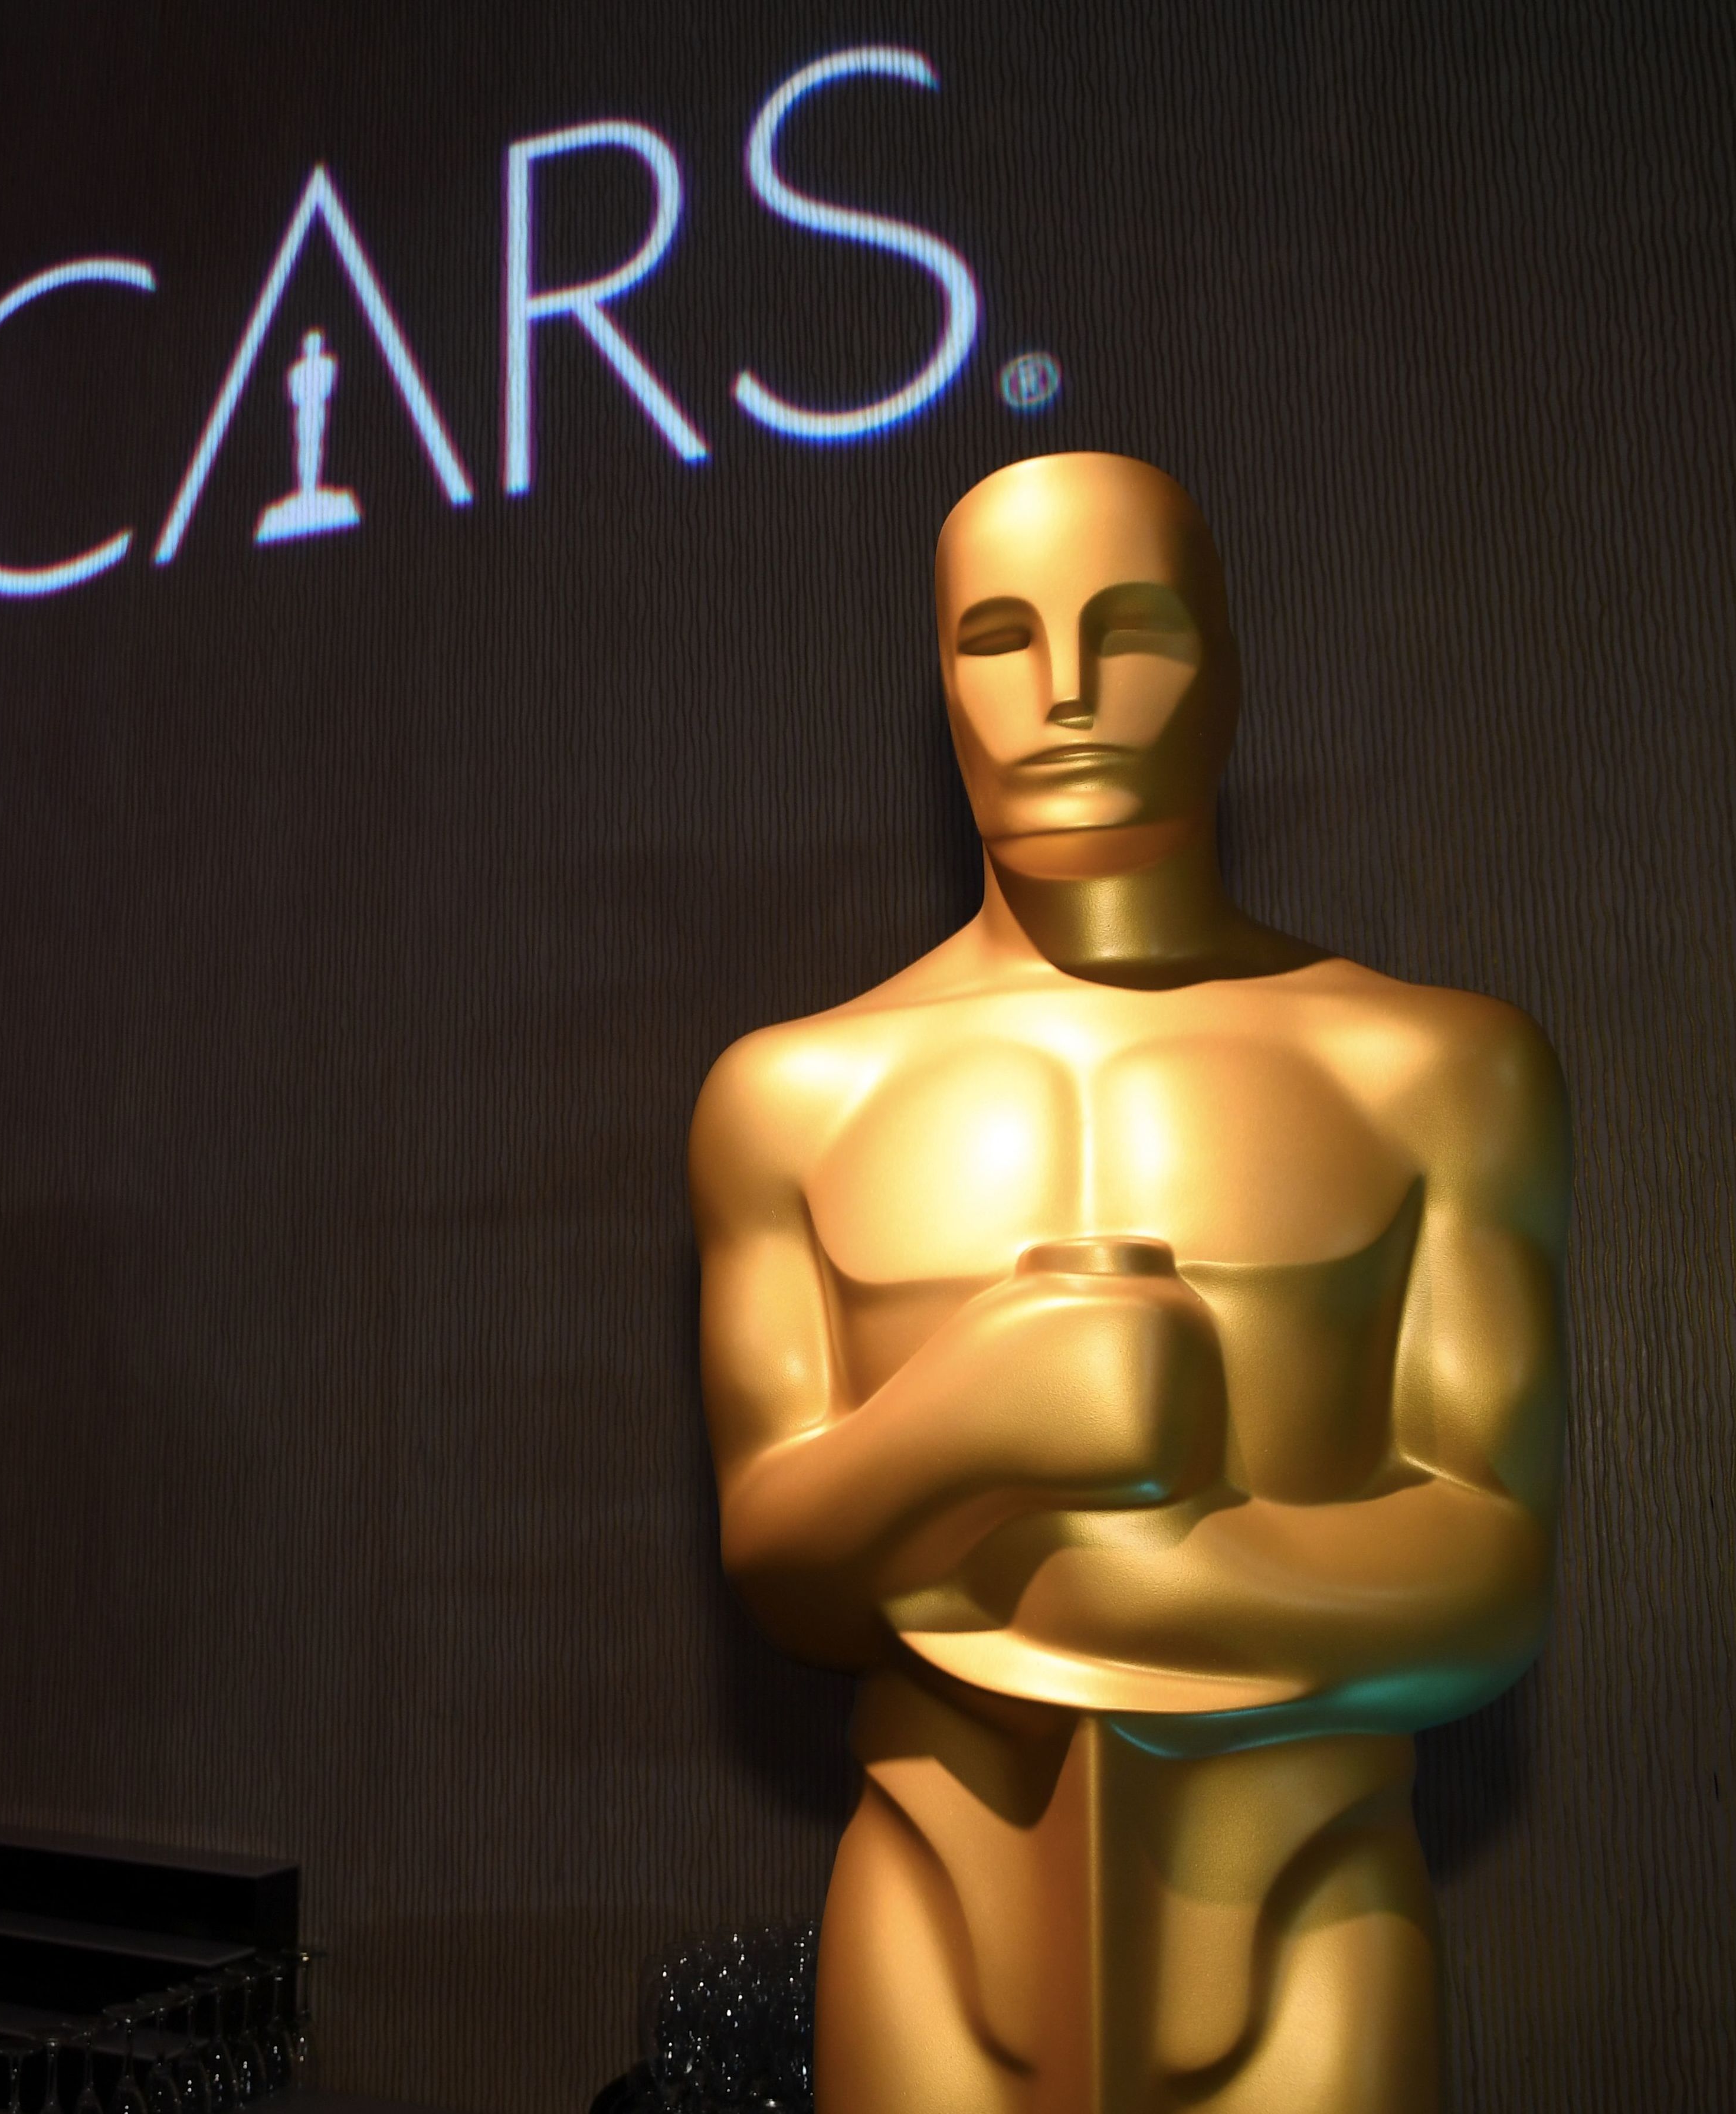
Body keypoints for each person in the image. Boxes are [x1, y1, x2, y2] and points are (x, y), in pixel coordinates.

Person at [690, 453, 1567, 2112]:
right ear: (938, 678)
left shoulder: (1433, 1071)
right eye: (999, 637)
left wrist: (1133, 1578)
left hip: (1299, 1890)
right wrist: (963, 1419)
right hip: (931, 1895)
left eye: (1131, 628)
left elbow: (1489, 1575)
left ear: (1227, 666)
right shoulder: (789, 1099)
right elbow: (781, 1572)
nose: (1065, 695)